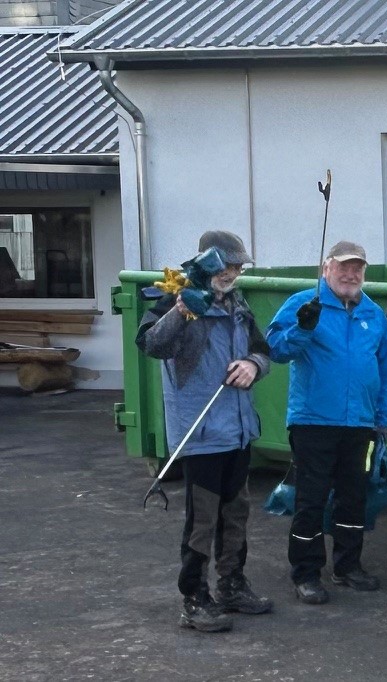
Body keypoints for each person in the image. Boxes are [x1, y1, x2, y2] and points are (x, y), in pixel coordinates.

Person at [138, 230, 272, 633]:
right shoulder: (172, 298)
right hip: (200, 432)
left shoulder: (238, 304)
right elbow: (151, 345)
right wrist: (180, 309)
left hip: (238, 428)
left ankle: (232, 584)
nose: (233, 272)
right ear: (208, 262)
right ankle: (194, 597)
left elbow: (262, 351)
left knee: (237, 510)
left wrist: (253, 365)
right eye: (228, 264)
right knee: (203, 519)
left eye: (238, 266)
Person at [267, 241, 387, 605]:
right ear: (327, 268)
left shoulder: (373, 313)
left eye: (357, 269)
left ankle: (348, 565)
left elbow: (386, 369)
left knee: (353, 497)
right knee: (311, 498)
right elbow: (276, 349)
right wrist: (304, 328)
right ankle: (306, 573)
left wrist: (383, 417)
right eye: (343, 267)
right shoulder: (304, 304)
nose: (350, 274)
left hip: (360, 424)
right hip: (313, 422)